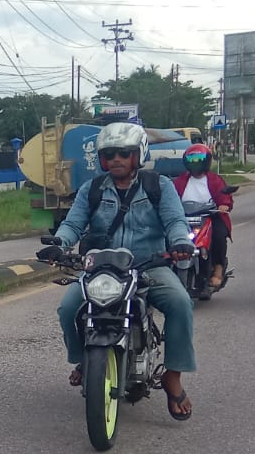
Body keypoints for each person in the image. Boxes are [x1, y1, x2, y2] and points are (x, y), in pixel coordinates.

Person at [41, 121, 198, 420]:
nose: (116, 159)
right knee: (68, 308)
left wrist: (180, 242)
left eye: (124, 153)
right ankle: (84, 360)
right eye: (110, 154)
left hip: (149, 264)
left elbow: (175, 221)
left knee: (180, 303)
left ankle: (173, 376)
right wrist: (59, 244)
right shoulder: (92, 189)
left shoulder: (159, 186)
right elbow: (73, 224)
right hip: (101, 268)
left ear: (138, 155)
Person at [170, 143, 234, 300]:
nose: (195, 162)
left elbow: (224, 196)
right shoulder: (180, 181)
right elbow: (170, 197)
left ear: (207, 161)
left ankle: (218, 268)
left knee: (219, 236)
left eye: (199, 159)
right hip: (184, 218)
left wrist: (224, 205)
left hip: (210, 217)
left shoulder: (215, 180)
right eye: (192, 159)